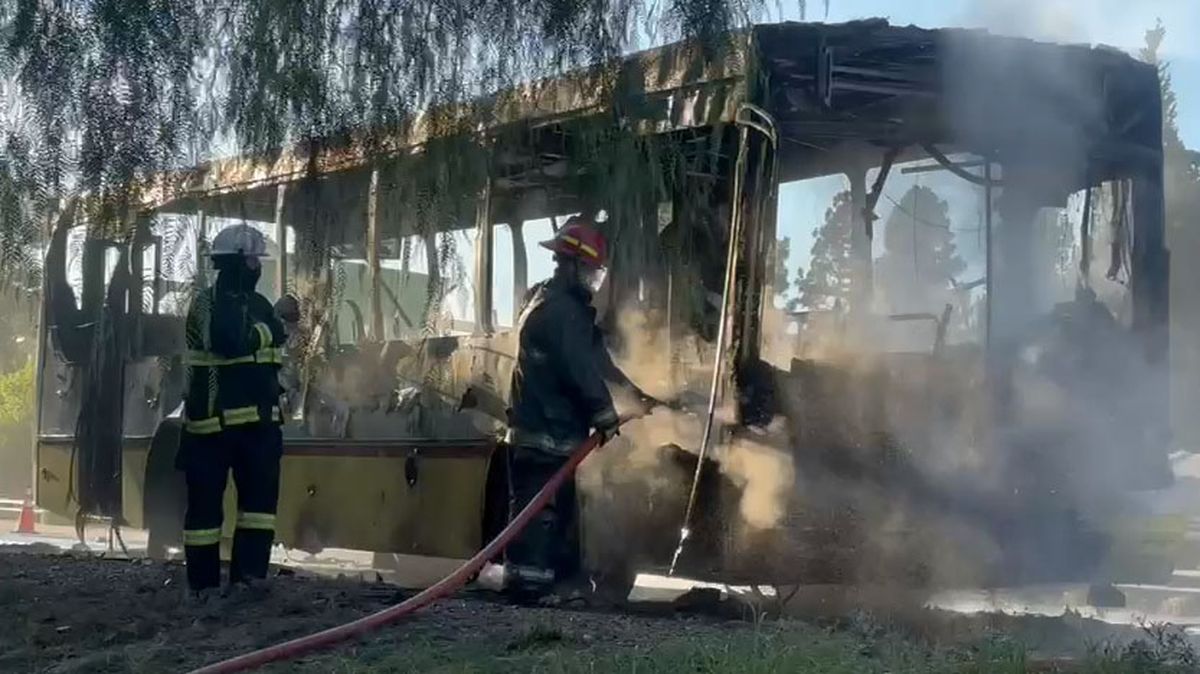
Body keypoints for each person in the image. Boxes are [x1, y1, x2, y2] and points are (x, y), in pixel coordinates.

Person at [503, 215, 658, 602]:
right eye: (589, 270)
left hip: (550, 434)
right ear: (569, 264)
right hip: (546, 433)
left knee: (556, 514)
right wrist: (605, 415)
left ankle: (556, 585)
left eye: (596, 272)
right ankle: (528, 589)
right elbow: (579, 369)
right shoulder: (562, 312)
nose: (593, 280)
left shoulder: (557, 304)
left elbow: (599, 363)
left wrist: (638, 396)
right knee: (541, 515)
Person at [178, 224, 289, 601]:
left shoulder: (259, 305)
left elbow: (275, 340)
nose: (259, 267)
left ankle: (249, 581)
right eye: (254, 260)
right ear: (237, 262)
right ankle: (203, 588)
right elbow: (230, 341)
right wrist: (269, 329)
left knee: (259, 512)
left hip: (259, 428)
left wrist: (270, 327)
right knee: (205, 516)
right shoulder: (206, 304)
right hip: (211, 429)